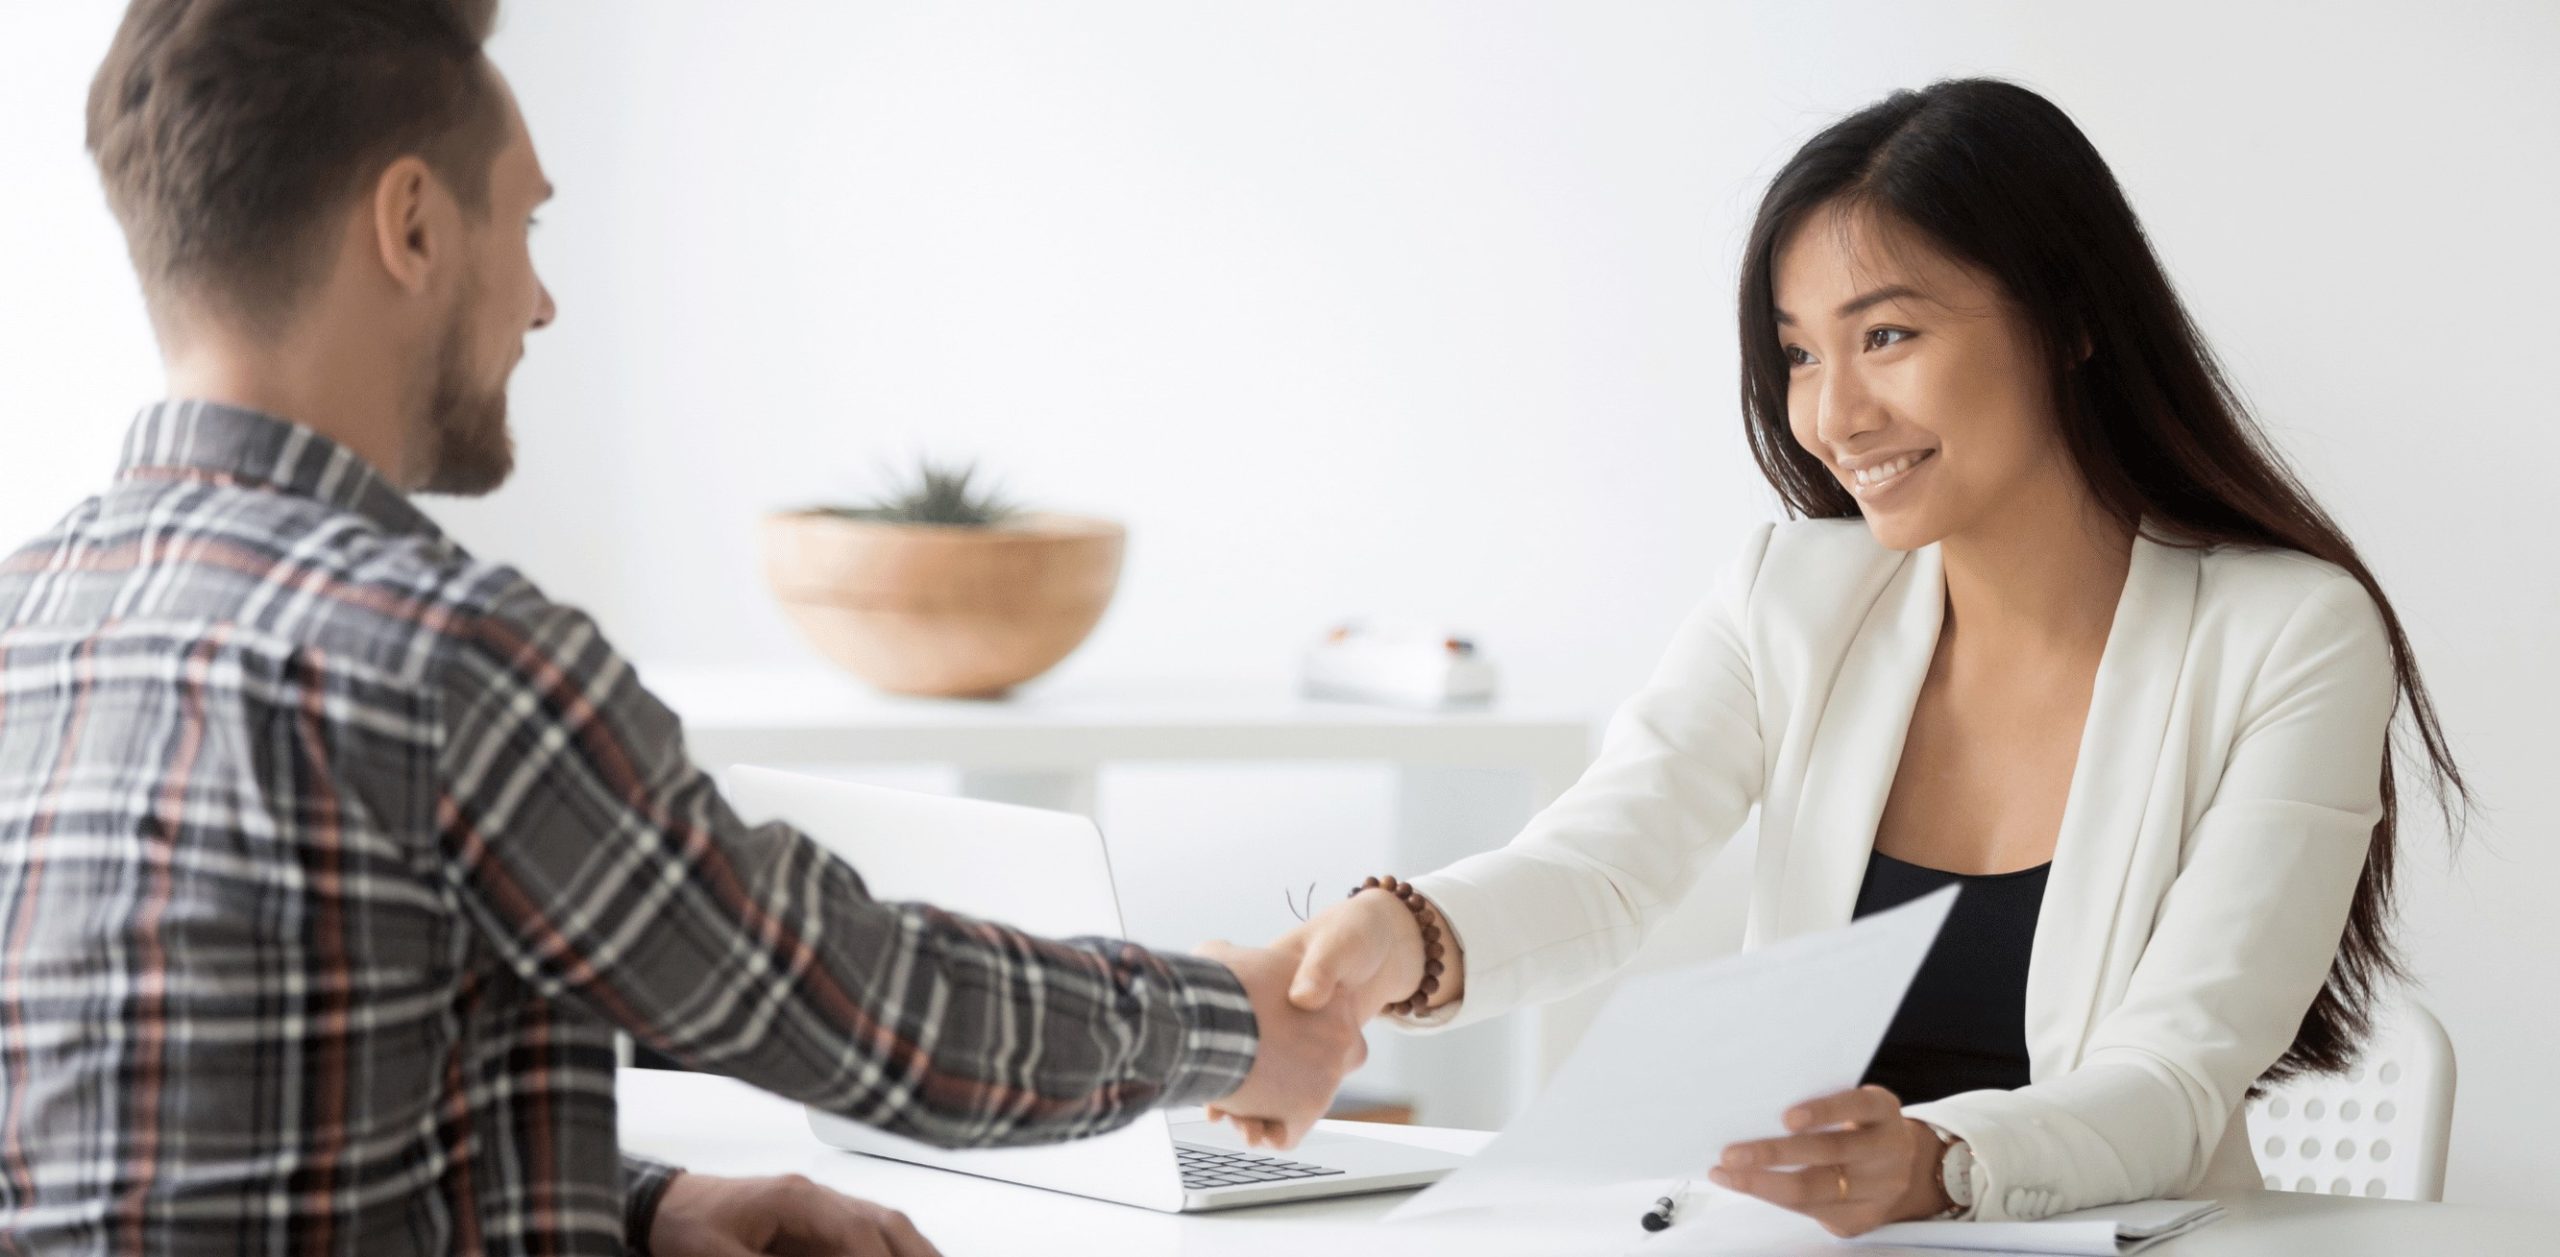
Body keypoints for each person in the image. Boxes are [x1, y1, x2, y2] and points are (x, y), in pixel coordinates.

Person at [0, 3, 1364, 1254]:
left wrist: (647, 1202)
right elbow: (873, 1008)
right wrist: (1234, 1024)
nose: (540, 301)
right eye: (525, 223)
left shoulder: (27, 621)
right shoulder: (440, 658)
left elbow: (192, 1128)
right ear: (411, 224)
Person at [1258, 77, 2470, 1237]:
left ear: (2071, 321)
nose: (1832, 415)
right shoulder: (1789, 596)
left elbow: (2170, 1077)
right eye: (1797, 353)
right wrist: (1394, 942)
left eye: (1884, 334)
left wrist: (1940, 1165)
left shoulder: (2289, 638)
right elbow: (1600, 866)